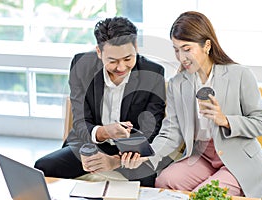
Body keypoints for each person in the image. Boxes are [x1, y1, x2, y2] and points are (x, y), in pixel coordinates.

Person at [121, 11, 262, 198]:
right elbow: (171, 132)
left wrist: (225, 120)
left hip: (238, 160)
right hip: (202, 157)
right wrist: (148, 156)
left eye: (187, 48)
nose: (181, 57)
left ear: (207, 45)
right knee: (164, 181)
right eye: (176, 49)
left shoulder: (240, 75)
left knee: (204, 198)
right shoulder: (177, 83)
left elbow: (261, 123)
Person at [34, 17, 167, 187]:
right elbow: (81, 121)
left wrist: (116, 159)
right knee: (43, 167)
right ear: (99, 52)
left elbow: (152, 127)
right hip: (89, 143)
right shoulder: (81, 66)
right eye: (112, 61)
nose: (121, 68)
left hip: (129, 151)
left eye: (128, 59)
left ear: (136, 48)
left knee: (147, 180)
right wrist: (105, 132)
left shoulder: (153, 72)